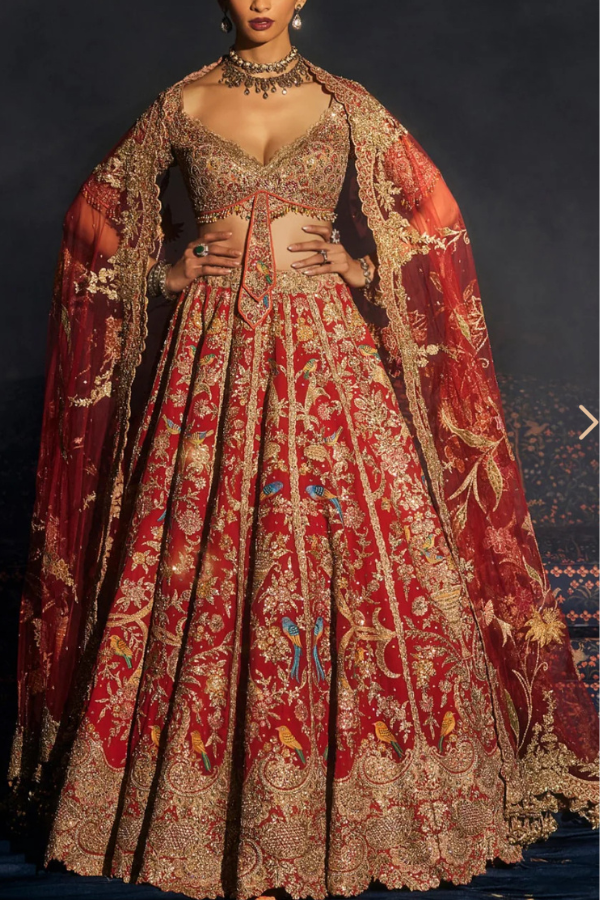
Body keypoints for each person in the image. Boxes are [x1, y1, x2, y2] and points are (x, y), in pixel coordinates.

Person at [9, 1, 598, 898]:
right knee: (204, 561)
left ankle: (383, 802)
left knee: (359, 561)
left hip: (329, 361)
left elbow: (434, 217)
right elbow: (91, 224)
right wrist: (164, 272)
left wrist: (364, 269)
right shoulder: (181, 105)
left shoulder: (346, 104)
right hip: (210, 365)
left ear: (302, 0)